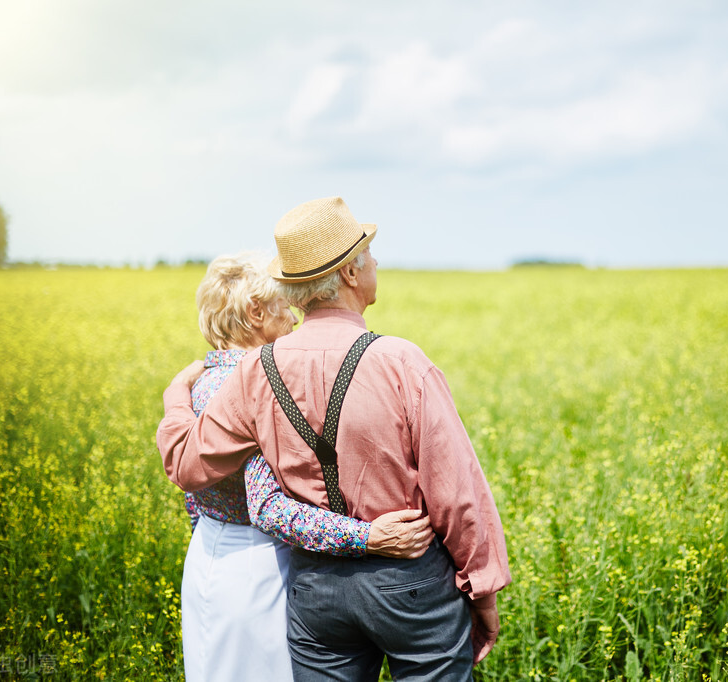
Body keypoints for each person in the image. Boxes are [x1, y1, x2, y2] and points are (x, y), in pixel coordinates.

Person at [157, 196, 511, 681]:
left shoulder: (256, 371)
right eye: (370, 255)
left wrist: (176, 395)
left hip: (316, 590)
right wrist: (483, 592)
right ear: (349, 273)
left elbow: (186, 465)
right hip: (409, 582)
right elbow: (457, 493)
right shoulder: (402, 363)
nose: (377, 263)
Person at [176, 253, 434, 682]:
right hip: (258, 571)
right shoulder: (253, 386)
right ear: (256, 313)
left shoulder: (200, 382)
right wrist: (368, 537)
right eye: (284, 302)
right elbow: (268, 509)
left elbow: (194, 497)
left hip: (207, 556)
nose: (296, 314)